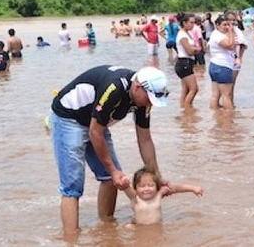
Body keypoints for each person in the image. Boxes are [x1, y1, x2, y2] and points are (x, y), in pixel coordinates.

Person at [48, 65, 170, 236]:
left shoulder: (143, 100)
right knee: (73, 186)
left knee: (111, 179)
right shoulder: (114, 89)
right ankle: (71, 238)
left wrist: (155, 176)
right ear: (137, 87)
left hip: (95, 123)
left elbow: (145, 139)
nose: (150, 103)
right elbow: (94, 132)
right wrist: (112, 170)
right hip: (68, 119)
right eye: (149, 98)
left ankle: (106, 230)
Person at [122, 166, 203, 226]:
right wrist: (124, 181)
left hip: (157, 228)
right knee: (128, 226)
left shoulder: (158, 194)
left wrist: (193, 188)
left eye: (150, 185)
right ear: (135, 188)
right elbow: (125, 187)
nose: (146, 189)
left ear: (157, 186)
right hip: (139, 228)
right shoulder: (135, 198)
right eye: (142, 186)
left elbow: (176, 188)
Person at [208, 15, 236, 109]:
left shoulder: (214, 34)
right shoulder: (218, 36)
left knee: (215, 95)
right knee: (226, 96)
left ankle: (215, 117)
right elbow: (230, 45)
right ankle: (228, 119)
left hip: (214, 65)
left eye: (229, 25)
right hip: (223, 66)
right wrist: (231, 32)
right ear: (217, 25)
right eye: (225, 25)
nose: (227, 27)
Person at [175, 13, 200, 108]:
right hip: (184, 63)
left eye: (194, 23)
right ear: (184, 23)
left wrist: (194, 49)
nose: (193, 25)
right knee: (194, 89)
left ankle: (183, 110)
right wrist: (196, 50)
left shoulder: (186, 33)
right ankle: (188, 109)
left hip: (185, 63)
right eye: (191, 22)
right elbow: (189, 51)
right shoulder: (182, 35)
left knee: (186, 90)